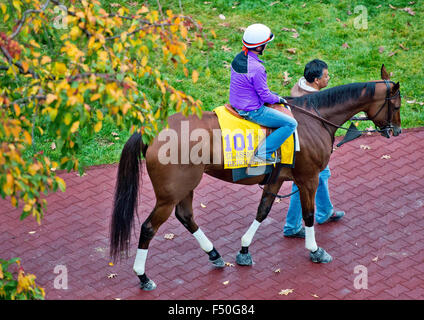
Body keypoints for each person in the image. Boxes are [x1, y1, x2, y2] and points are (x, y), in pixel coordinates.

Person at [283, 59, 345, 238]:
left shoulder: (300, 86)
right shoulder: (311, 101)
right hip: (307, 148)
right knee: (302, 184)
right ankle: (292, 226)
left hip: (305, 145)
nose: (328, 78)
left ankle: (325, 211)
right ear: (316, 81)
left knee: (322, 175)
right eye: (326, 76)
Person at [229, 23, 298, 164]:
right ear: (259, 47)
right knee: (291, 123)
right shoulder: (257, 68)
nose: (267, 46)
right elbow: (265, 96)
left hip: (235, 103)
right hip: (251, 111)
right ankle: (263, 153)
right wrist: (278, 98)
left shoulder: (238, 58)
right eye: (266, 43)